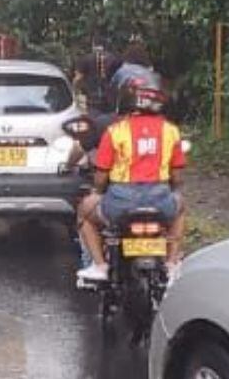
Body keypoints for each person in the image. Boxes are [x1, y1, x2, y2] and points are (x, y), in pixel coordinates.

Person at [75, 78, 186, 285]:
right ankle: (172, 263)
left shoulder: (115, 131)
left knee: (84, 213)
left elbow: (101, 176)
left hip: (120, 204)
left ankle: (99, 266)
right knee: (180, 208)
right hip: (161, 202)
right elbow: (178, 177)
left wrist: (97, 191)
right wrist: (173, 189)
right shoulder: (171, 131)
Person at [73, 38, 124, 113]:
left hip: (92, 99)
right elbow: (120, 78)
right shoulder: (114, 59)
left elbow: (78, 79)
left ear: (93, 45)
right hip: (110, 99)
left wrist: (75, 92)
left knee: (93, 118)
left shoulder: (85, 59)